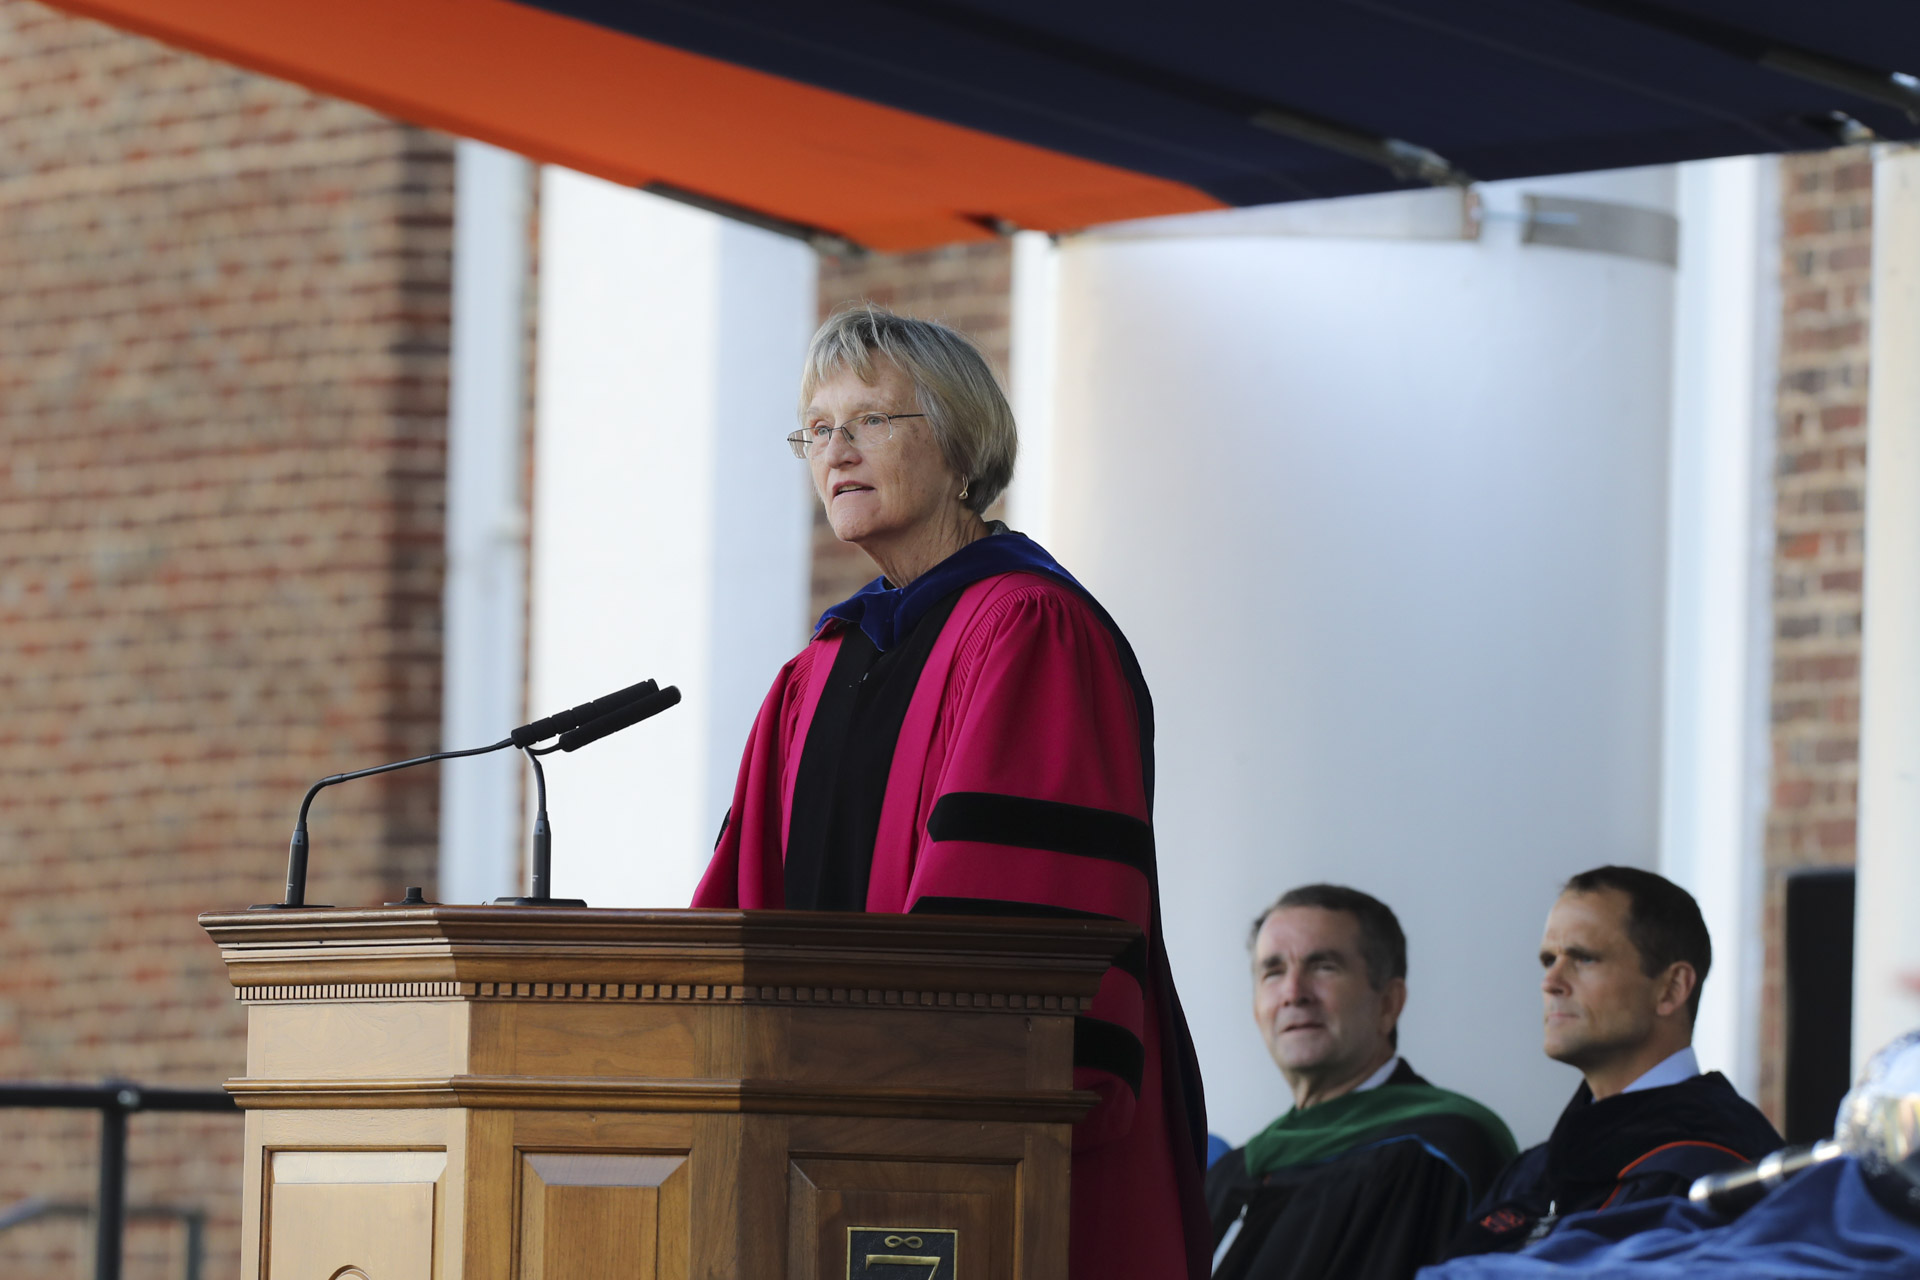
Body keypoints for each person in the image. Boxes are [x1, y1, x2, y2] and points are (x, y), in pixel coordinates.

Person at [691, 305, 1210, 1279]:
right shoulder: (815, 675)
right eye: (816, 429)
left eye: (871, 420)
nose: (835, 450)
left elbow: (1019, 928)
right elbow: (740, 913)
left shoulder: (1032, 628)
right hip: (812, 1150)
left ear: (962, 444)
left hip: (984, 1162)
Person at [1448, 865, 1784, 1256]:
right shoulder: (1533, 1171)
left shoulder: (1721, 1168)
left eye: (1584, 958)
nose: (1551, 981)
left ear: (1671, 989)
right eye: (1547, 959)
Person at [1207, 885, 1517, 1280]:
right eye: (1273, 971)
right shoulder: (1233, 1171)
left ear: (1388, 1003)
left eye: (1324, 967)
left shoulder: (1440, 1152)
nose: (1293, 993)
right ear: (1256, 1011)